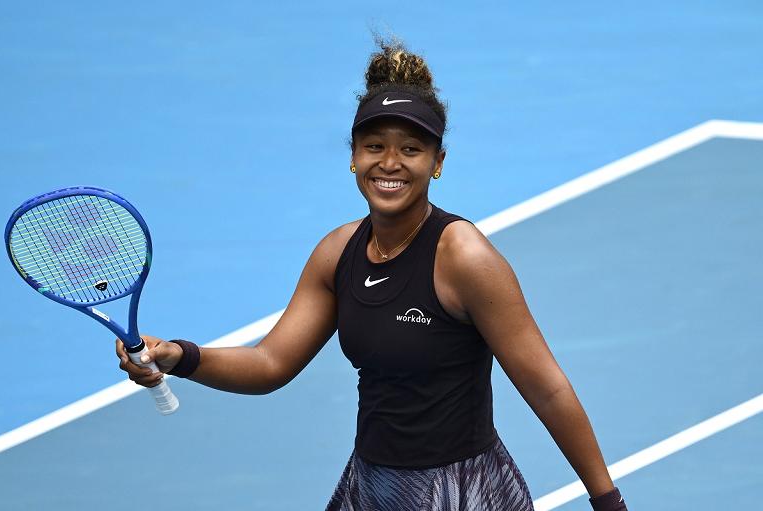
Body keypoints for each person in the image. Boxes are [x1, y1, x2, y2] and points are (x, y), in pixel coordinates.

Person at [117, 39, 628, 511]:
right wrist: (179, 355)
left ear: (438, 162)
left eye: (411, 149)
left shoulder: (464, 258)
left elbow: (548, 389)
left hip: (462, 493)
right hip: (375, 487)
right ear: (354, 157)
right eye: (374, 146)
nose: (391, 163)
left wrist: (606, 502)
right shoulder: (337, 252)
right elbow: (271, 363)